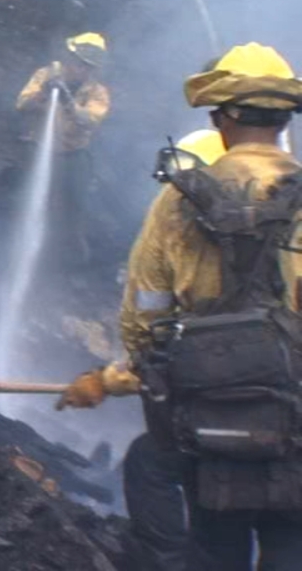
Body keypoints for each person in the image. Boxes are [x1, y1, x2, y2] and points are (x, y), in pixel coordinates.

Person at [59, 43, 302, 569]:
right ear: (285, 117)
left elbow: (145, 312)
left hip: (211, 415)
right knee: (290, 541)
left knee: (217, 540)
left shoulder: (182, 199)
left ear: (220, 117)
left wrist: (133, 378)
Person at [64, 130, 225, 571]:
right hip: (278, 411)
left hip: (225, 410)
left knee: (156, 465)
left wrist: (107, 380)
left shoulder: (191, 252)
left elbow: (155, 337)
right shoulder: (281, 228)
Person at [15, 33, 111, 259]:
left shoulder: (97, 92)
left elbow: (89, 121)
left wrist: (68, 101)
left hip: (72, 156)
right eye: (80, 64)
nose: (83, 70)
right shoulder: (45, 75)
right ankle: (20, 247)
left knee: (73, 207)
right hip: (37, 149)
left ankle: (72, 258)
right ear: (69, 58)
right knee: (28, 199)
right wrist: (43, 93)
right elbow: (22, 104)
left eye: (89, 67)